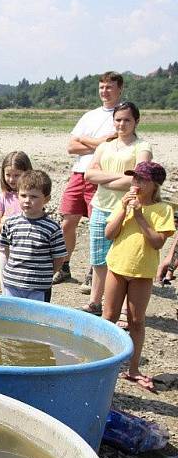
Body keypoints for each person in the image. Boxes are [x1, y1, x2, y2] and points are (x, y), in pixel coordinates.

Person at [103, 161, 174, 392]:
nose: (136, 183)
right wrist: (124, 210)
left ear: (154, 185)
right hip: (117, 267)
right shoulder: (123, 203)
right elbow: (109, 234)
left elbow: (157, 242)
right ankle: (103, 361)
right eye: (135, 179)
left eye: (142, 180)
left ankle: (133, 368)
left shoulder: (162, 210)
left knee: (137, 320)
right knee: (109, 316)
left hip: (142, 272)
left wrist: (140, 216)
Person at [82, 102, 152, 321]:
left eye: (127, 120)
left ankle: (121, 307)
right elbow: (89, 175)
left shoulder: (142, 146)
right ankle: (95, 301)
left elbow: (140, 179)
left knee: (124, 258)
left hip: (127, 209)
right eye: (118, 119)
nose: (122, 124)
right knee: (98, 257)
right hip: (101, 206)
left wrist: (106, 179)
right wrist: (121, 179)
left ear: (136, 121)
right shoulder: (105, 146)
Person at [53, 71, 123, 287]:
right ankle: (64, 266)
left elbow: (111, 143)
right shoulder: (89, 115)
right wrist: (97, 141)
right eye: (102, 87)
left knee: (98, 225)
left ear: (120, 89)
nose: (105, 91)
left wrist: (85, 139)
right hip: (79, 173)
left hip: (101, 176)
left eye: (109, 87)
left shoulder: (121, 115)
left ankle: (95, 270)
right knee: (67, 221)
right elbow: (71, 147)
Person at [0, 170, 67, 301]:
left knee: (35, 318)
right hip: (12, 283)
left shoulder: (52, 228)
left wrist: (47, 274)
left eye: (34, 197)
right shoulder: (11, 223)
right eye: (23, 195)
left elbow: (59, 257)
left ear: (46, 199)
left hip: (39, 287)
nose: (27, 201)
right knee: (12, 316)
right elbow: (4, 248)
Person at [0, 151, 33, 287]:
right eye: (8, 175)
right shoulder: (2, 197)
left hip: (27, 252)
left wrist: (7, 220)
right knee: (7, 288)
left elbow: (33, 223)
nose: (12, 180)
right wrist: (18, 224)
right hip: (5, 251)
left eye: (16, 175)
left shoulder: (29, 197)